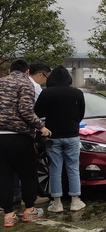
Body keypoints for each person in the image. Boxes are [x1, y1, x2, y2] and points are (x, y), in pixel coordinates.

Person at [1, 59, 51, 227]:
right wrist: (41, 127)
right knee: (28, 174)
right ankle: (29, 210)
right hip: (19, 137)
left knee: (4, 177)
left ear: (9, 71)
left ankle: (9, 215)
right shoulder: (26, 84)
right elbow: (25, 110)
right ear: (27, 71)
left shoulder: (0, 82)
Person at [34, 65, 86, 213]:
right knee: (73, 168)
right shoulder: (77, 93)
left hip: (53, 136)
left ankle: (57, 203)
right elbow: (81, 114)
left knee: (54, 169)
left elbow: (37, 112)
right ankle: (75, 201)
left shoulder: (46, 93)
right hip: (72, 135)